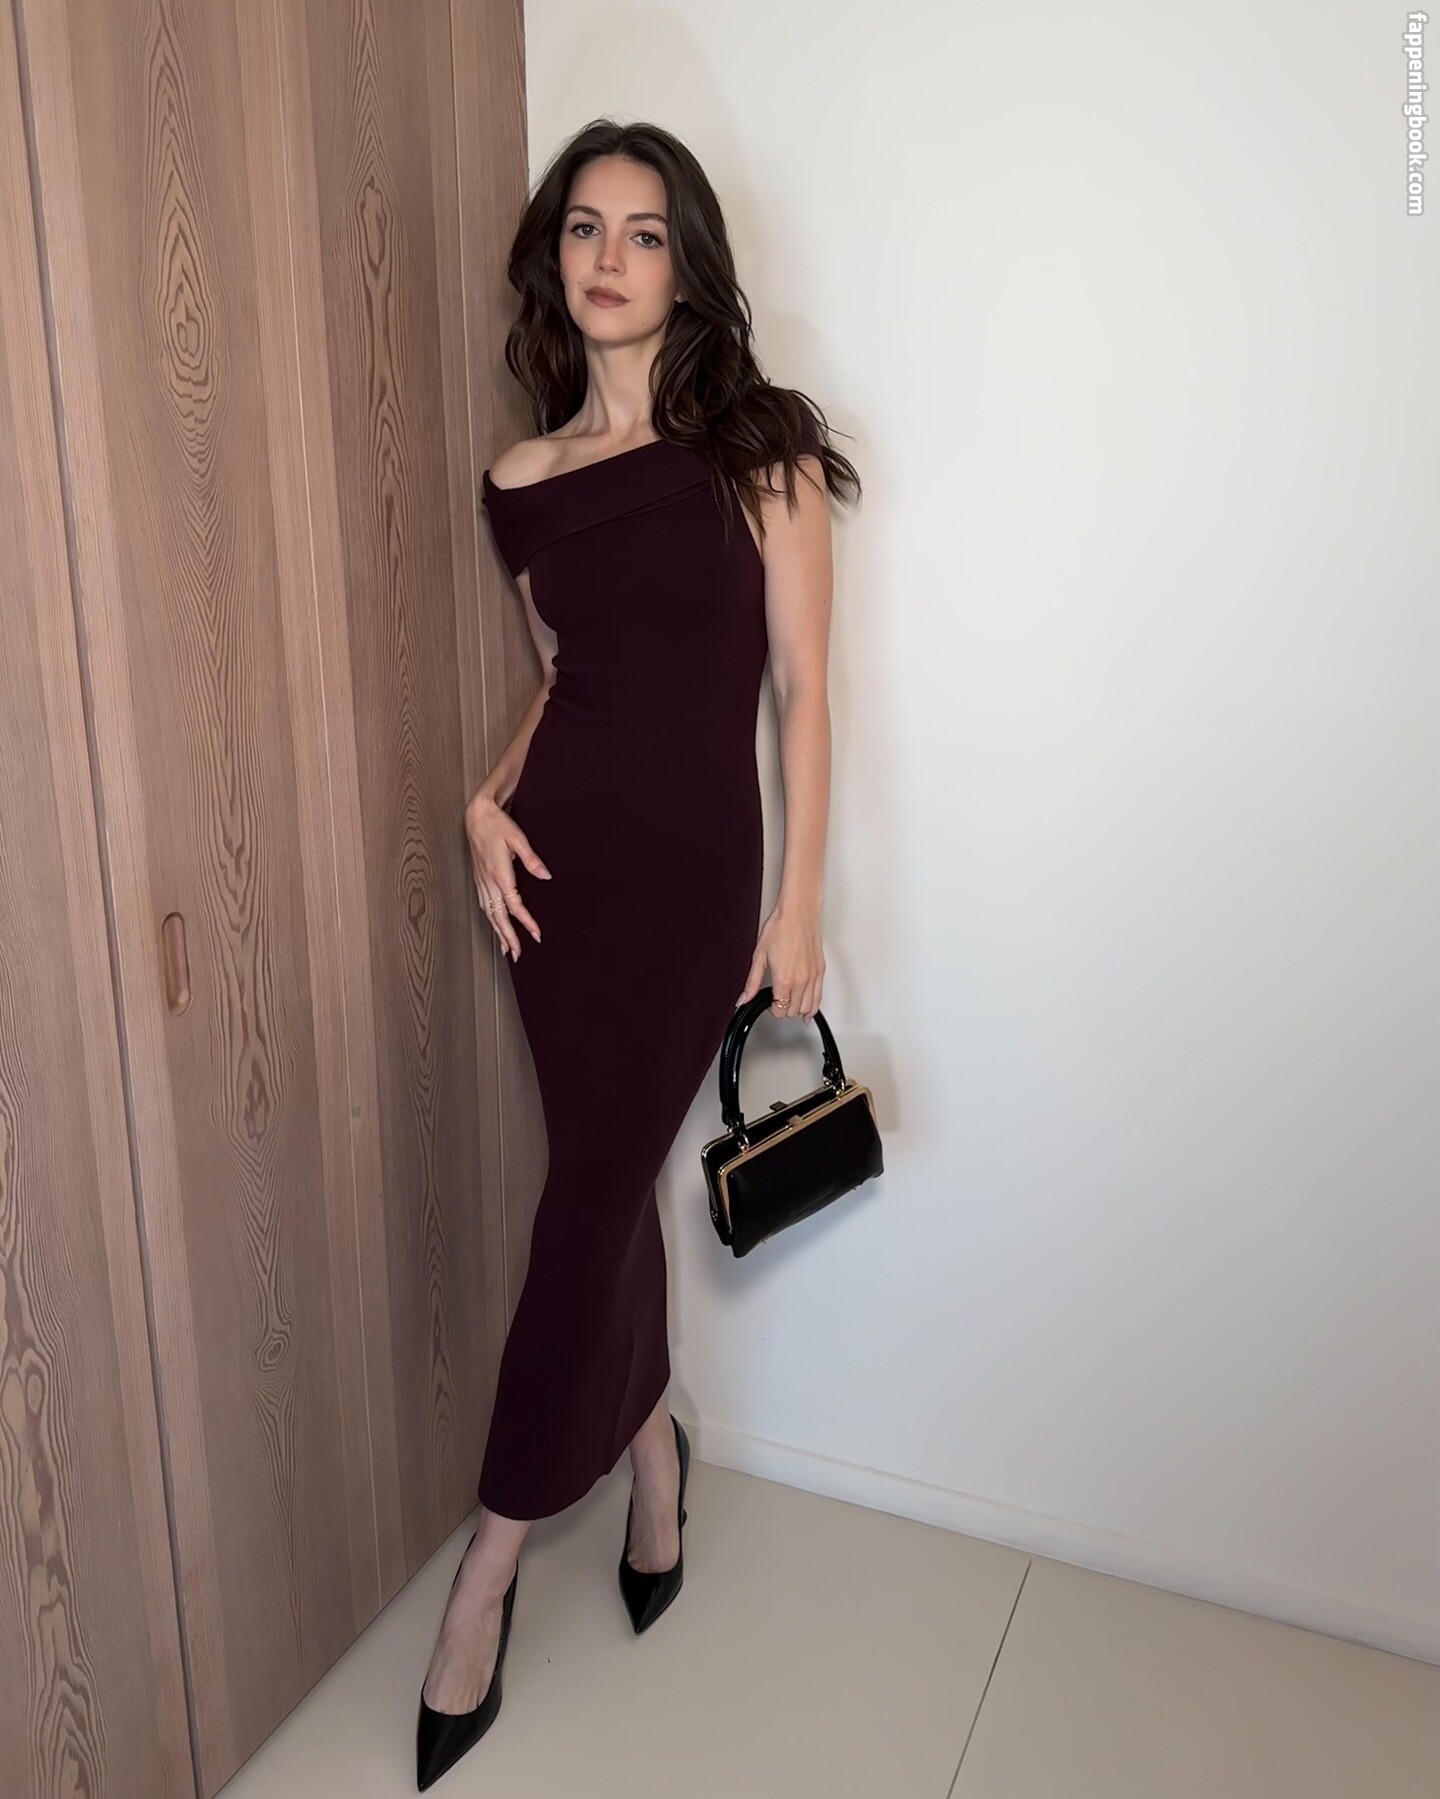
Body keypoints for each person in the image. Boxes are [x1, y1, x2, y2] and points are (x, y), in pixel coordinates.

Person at [416, 116, 860, 1790]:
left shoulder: (761, 449)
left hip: (691, 889)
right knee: (602, 1195)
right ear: (556, 258)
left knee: (584, 1206)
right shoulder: (521, 481)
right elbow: (569, 679)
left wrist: (799, 903)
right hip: (555, 886)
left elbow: (802, 694)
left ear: (689, 264)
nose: (610, 257)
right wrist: (485, 798)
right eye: (586, 228)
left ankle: (487, 1572)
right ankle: (655, 1457)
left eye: (646, 231)